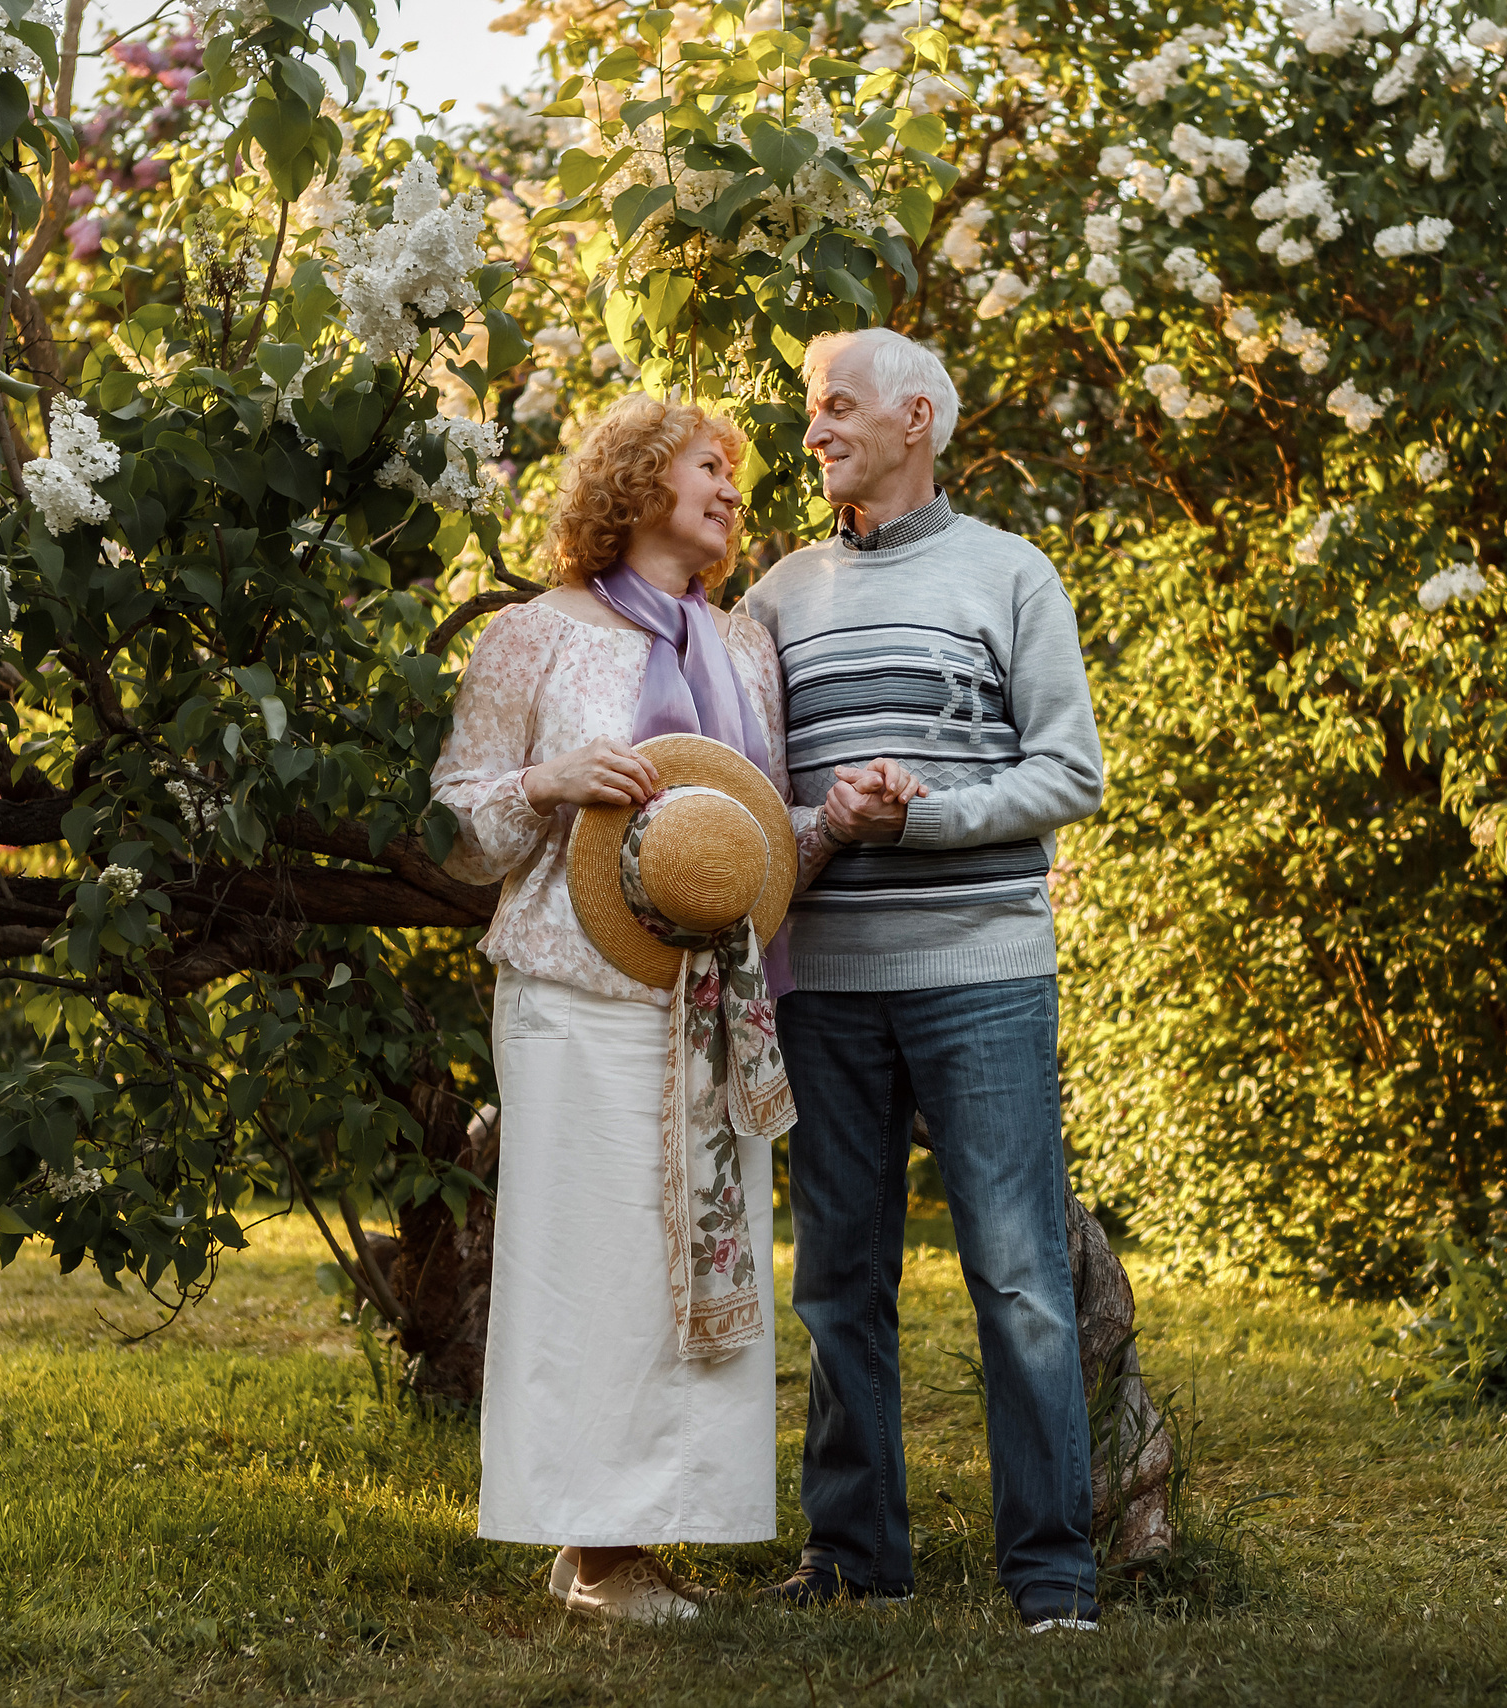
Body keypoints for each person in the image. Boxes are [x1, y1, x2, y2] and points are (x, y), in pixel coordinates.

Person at [430, 392, 842, 1625]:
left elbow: (747, 848)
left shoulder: (746, 649)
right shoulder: (534, 636)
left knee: (691, 1270)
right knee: (591, 1268)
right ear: (636, 481)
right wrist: (550, 779)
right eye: (707, 467)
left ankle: (628, 1542)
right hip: (573, 995)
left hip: (711, 1007)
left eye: (734, 474)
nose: (730, 489)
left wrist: (838, 822)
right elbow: (459, 826)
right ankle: (598, 1550)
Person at [737, 328, 1110, 1633]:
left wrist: (925, 815)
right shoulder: (774, 598)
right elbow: (742, 808)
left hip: (982, 971)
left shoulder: (1011, 574)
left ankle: (1054, 1575)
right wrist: (828, 821)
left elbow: (1072, 775)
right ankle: (854, 1558)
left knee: (1017, 1277)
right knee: (839, 1278)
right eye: (808, 409)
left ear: (916, 419)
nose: (813, 430)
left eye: (833, 406)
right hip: (826, 979)